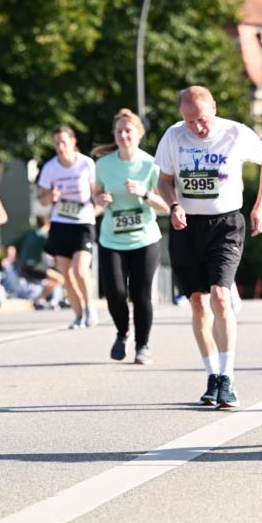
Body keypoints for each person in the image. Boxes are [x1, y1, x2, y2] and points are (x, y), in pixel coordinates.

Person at [156, 85, 262, 408]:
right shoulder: (174, 136)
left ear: (214, 108)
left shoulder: (235, 133)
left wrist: (258, 206)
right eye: (190, 121)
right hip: (186, 226)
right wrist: (174, 205)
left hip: (225, 224)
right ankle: (211, 376)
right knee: (198, 302)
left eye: (203, 119)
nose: (197, 127)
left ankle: (227, 376)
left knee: (221, 296)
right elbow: (164, 182)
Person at [93, 108, 169, 364]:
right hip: (111, 239)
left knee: (140, 293)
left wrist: (145, 194)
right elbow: (93, 201)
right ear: (114, 135)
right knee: (114, 291)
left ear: (139, 134)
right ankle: (122, 332)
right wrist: (99, 200)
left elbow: (167, 207)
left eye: (128, 130)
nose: (124, 135)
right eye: (119, 131)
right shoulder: (103, 165)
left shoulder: (151, 164)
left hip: (144, 239)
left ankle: (142, 345)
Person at [37, 125, 98, 328]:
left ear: (73, 142)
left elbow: (96, 193)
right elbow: (43, 200)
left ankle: (90, 307)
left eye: (63, 142)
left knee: (80, 269)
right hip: (61, 223)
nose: (60, 147)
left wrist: (97, 207)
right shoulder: (50, 168)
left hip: (83, 223)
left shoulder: (86, 164)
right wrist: (50, 196)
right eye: (56, 143)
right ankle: (79, 315)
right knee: (67, 274)